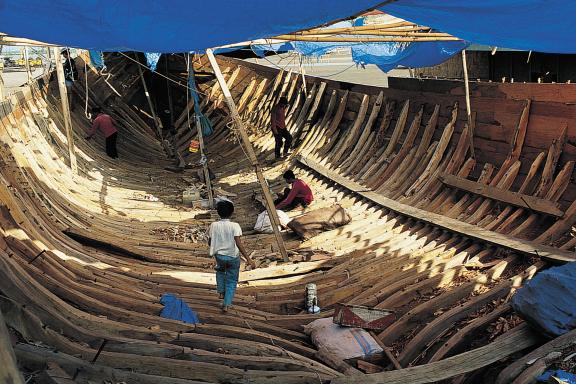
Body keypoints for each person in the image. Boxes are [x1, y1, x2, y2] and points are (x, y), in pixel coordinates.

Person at [208, 200, 255, 312]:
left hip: (219, 256)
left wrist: (216, 246)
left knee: (220, 271)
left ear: (218, 212)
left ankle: (221, 291)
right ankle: (227, 304)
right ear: (232, 212)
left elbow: (210, 242)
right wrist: (248, 259)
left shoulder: (213, 225)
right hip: (233, 257)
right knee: (232, 280)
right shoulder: (235, 226)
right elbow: (238, 243)